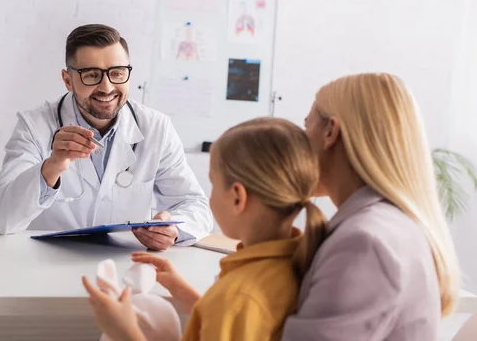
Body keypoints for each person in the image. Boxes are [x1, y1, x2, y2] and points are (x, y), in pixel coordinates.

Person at [82, 117, 328, 341]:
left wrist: (125, 332)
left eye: (213, 183)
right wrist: (182, 290)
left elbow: (232, 312)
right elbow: (230, 325)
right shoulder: (288, 262)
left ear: (237, 198)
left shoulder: (239, 296)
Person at [0, 24, 213, 250]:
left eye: (117, 73)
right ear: (68, 80)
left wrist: (173, 230)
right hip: (49, 265)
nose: (107, 87)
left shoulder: (156, 127)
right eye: (92, 75)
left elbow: (195, 205)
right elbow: (3, 220)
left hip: (124, 270)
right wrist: (53, 165)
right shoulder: (35, 126)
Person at [282, 73, 461, 340]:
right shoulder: (388, 223)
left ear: (330, 132)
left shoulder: (364, 243)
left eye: (306, 127)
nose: (298, 147)